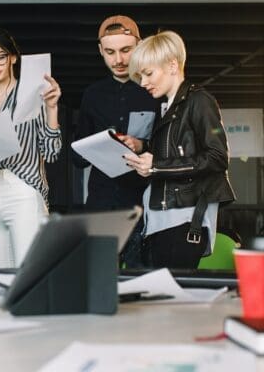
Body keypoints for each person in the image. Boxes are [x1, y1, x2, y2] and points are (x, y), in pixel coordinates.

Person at [124, 30, 235, 269]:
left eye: (148, 73)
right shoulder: (167, 108)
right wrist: (144, 153)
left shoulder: (199, 101)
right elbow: (173, 155)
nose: (143, 83)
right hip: (161, 218)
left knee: (171, 295)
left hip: (184, 219)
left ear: (172, 65)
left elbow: (217, 157)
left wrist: (156, 166)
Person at [0, 28, 62, 268]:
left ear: (13, 57)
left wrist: (52, 109)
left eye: (0, 56)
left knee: (29, 274)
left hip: (23, 191)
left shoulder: (34, 96)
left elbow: (52, 151)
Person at [73, 15, 161, 211]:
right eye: (110, 52)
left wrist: (141, 144)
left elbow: (170, 148)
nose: (118, 60)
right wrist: (97, 146)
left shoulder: (155, 91)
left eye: (126, 50)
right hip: (100, 203)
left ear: (139, 47)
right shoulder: (92, 95)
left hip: (145, 205)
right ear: (100, 51)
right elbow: (77, 159)